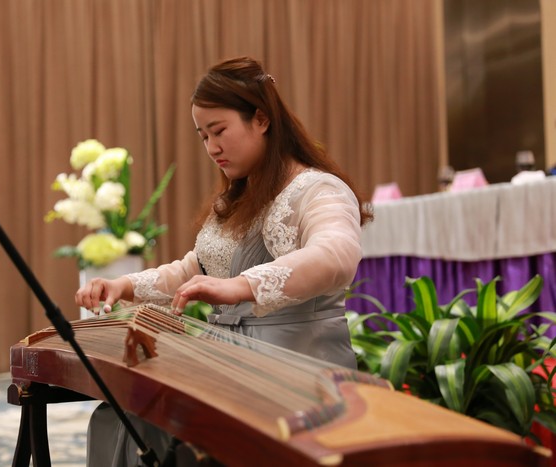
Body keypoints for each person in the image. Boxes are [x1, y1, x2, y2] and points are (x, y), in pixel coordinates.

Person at [75, 56, 373, 466]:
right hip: (233, 363)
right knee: (125, 416)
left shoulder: (318, 190)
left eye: (219, 131)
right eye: (203, 136)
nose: (211, 147)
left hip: (296, 370)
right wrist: (123, 285)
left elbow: (336, 254)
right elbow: (195, 269)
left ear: (261, 119)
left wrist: (242, 286)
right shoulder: (240, 196)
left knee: (161, 429)